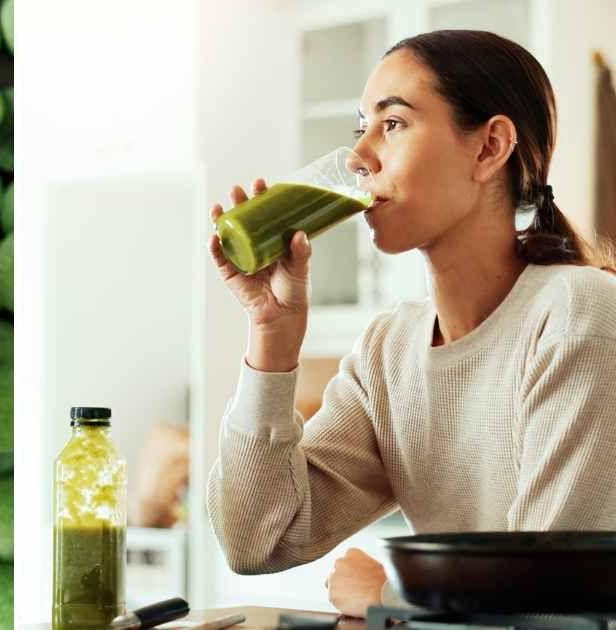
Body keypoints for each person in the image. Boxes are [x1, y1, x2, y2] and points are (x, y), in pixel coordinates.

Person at [205, 29, 616, 618]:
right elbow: (255, 541)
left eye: (393, 124)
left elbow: (552, 603)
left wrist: (392, 599)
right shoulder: (389, 351)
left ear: (488, 148)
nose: (358, 157)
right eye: (360, 128)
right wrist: (272, 337)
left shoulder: (580, 316)